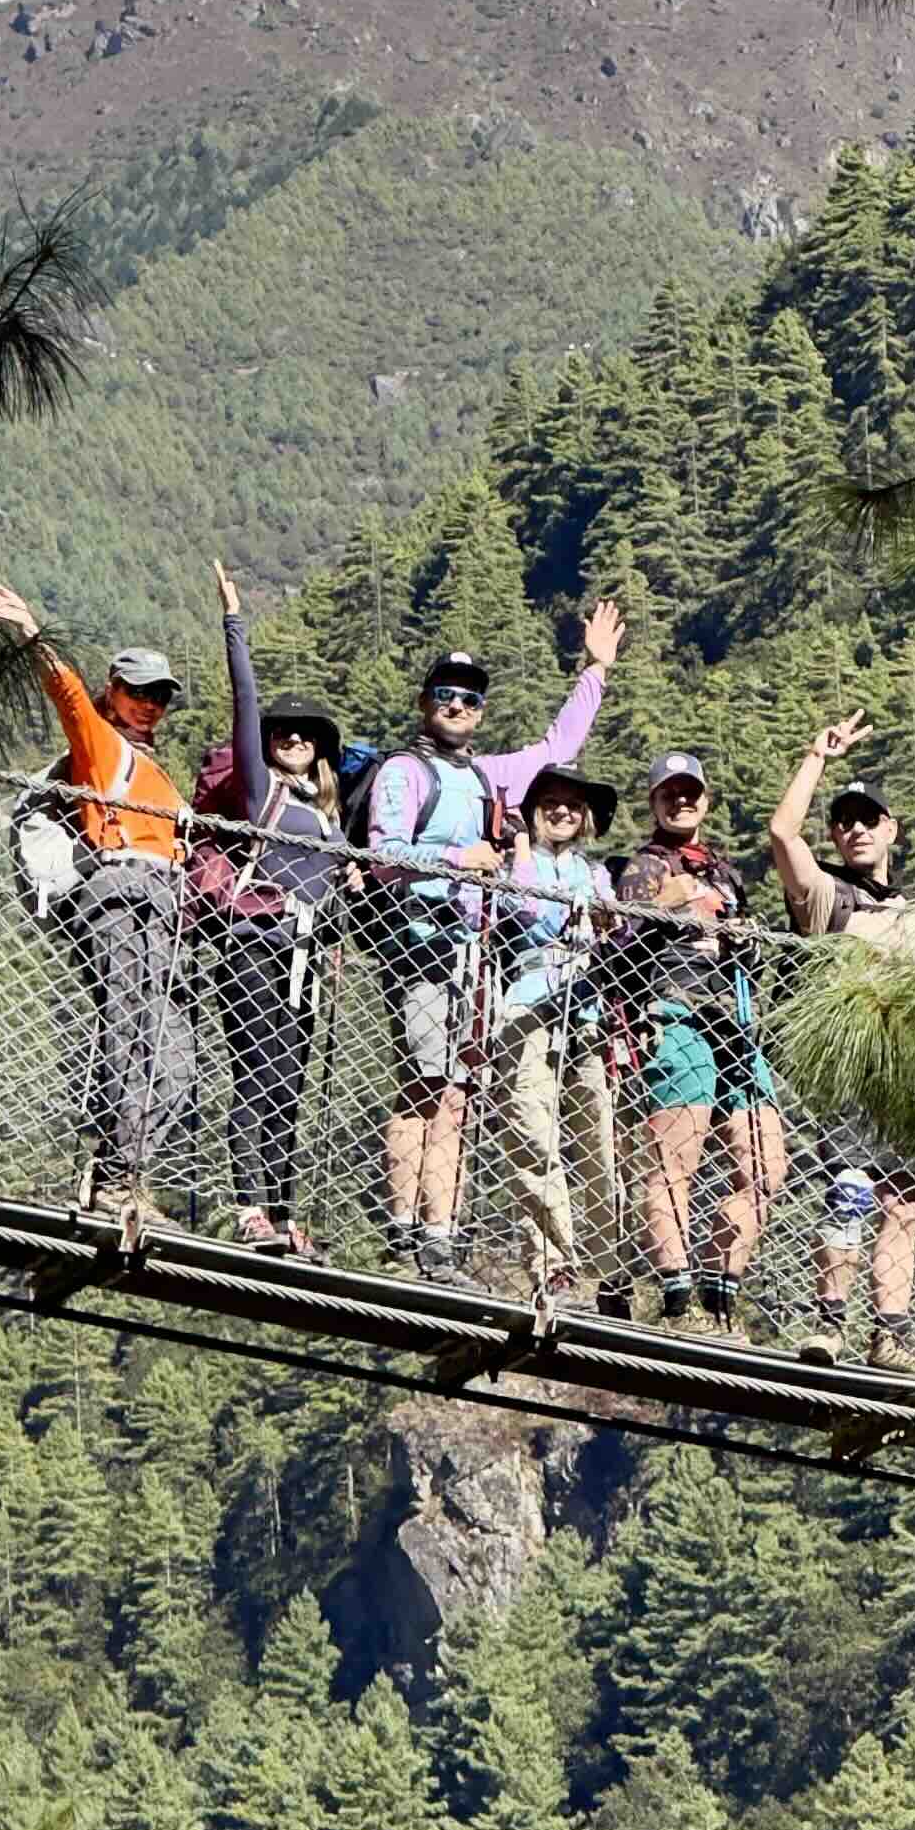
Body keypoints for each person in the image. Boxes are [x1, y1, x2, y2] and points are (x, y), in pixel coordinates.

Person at [363, 604, 624, 1279]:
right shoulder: (404, 771)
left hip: (472, 956)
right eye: (446, 694)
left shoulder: (486, 776)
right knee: (424, 1084)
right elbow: (382, 854)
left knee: (456, 1093)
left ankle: (440, 1236)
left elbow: (557, 748)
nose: (458, 705)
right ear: (425, 702)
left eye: (470, 698)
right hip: (421, 943)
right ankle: (404, 1229)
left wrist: (595, 670)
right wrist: (458, 861)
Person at [0, 580, 197, 1224]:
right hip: (121, 890)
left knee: (174, 1054)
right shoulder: (100, 744)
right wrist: (29, 631)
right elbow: (66, 693)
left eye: (160, 696)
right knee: (131, 1028)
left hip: (163, 901)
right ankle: (116, 1179)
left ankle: (121, 1170)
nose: (149, 705)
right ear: (113, 690)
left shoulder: (154, 771)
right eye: (138, 692)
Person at [767, 716, 915, 1374]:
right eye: (843, 822)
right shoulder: (825, 897)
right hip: (850, 1069)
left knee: (904, 1206)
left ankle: (889, 1337)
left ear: (892, 829)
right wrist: (817, 755)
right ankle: (830, 1323)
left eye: (869, 820)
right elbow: (783, 835)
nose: (856, 829)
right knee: (852, 1189)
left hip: (909, 1075)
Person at [204, 560, 352, 1254]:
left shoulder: (326, 815)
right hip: (254, 941)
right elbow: (245, 701)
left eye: (305, 736)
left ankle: (287, 1218)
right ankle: (250, 1210)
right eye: (283, 733)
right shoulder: (260, 789)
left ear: (319, 750)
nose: (293, 740)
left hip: (305, 955)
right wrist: (234, 621)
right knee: (257, 1074)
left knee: (290, 1085)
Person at [610, 755, 787, 1336]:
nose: (681, 802)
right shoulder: (645, 866)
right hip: (674, 1010)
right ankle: (678, 1299)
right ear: (654, 802)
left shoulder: (722, 870)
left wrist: (743, 939)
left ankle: (719, 1290)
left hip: (731, 1020)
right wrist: (663, 907)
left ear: (705, 800)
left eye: (691, 793)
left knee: (765, 1166)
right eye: (670, 793)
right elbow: (616, 945)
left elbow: (746, 952)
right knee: (674, 1162)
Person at [488, 764, 629, 1319]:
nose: (563, 811)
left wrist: (603, 919)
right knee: (532, 1132)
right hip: (528, 1004)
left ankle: (606, 1270)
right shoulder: (512, 863)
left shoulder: (594, 874)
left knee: (598, 1142)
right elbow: (521, 910)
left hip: (586, 1014)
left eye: (573, 804)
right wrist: (524, 846)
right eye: (550, 802)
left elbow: (614, 930)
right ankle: (554, 1265)